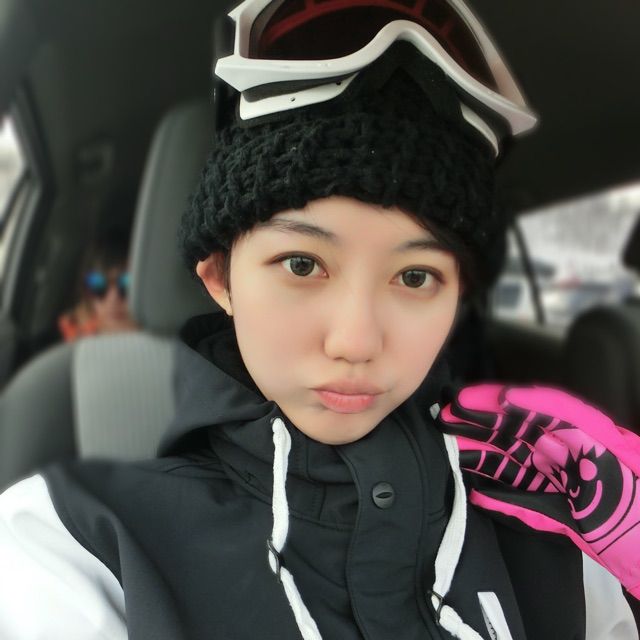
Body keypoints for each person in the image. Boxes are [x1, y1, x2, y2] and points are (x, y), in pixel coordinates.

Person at [0, 1, 638, 638]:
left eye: (416, 277)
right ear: (220, 277)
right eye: (302, 264)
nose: (356, 342)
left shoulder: (564, 544)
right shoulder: (75, 549)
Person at [58, 227, 137, 341]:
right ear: (87, 294)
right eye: (98, 284)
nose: (113, 297)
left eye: (126, 283)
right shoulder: (76, 346)